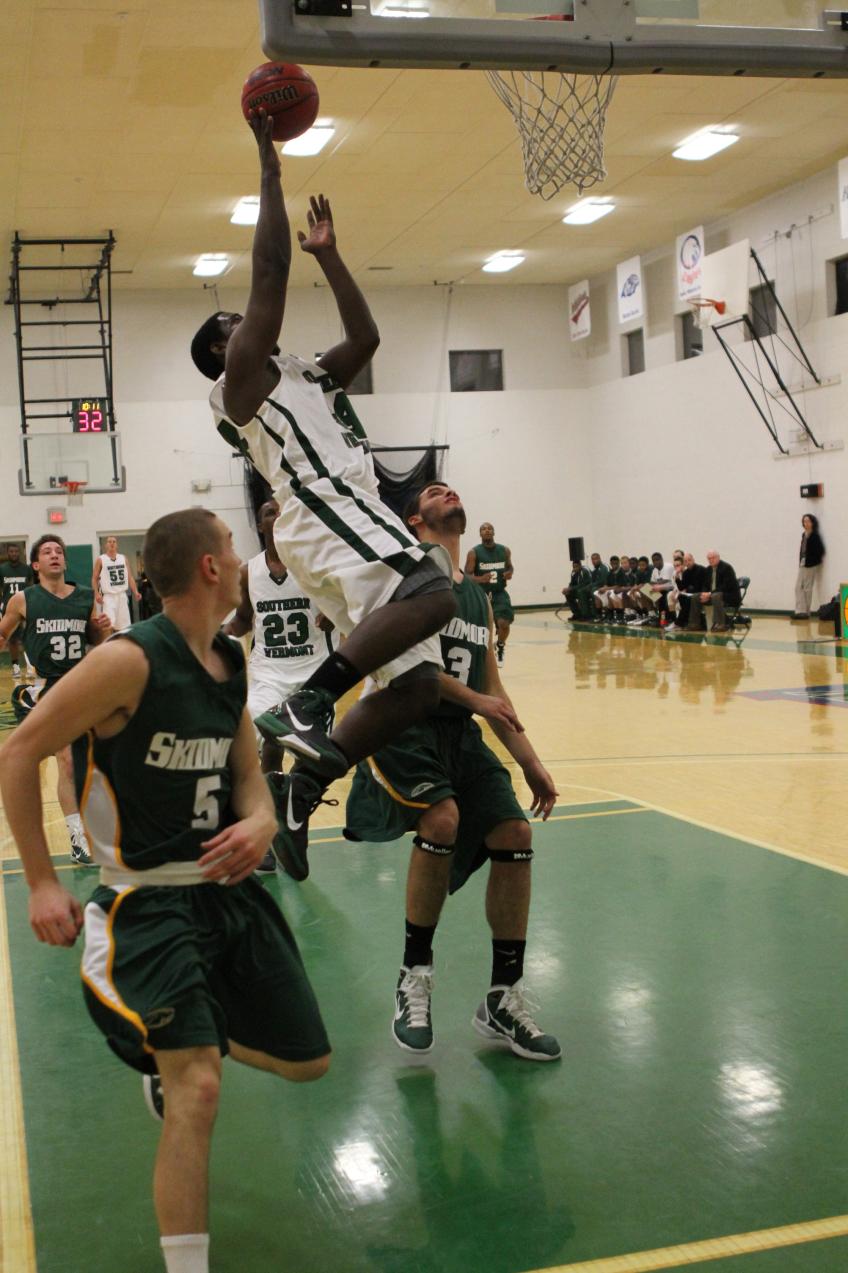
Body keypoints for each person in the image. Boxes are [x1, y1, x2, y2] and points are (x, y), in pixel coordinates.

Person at [0, 508, 330, 1273]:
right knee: (200, 1087)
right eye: (231, 545)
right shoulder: (129, 660)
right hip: (144, 900)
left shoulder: (229, 660)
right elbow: (20, 751)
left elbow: (249, 775)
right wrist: (43, 881)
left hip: (226, 894)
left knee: (308, 1060)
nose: (244, 558)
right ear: (211, 567)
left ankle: (174, 1048)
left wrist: (258, 824)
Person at [190, 110, 456, 879]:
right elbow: (268, 272)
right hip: (324, 507)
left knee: (416, 688)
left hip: (344, 516)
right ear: (222, 349)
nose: (251, 322)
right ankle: (311, 701)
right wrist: (269, 167)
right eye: (235, 324)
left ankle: (302, 780)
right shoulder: (238, 382)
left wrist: (331, 257)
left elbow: (366, 339)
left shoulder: (302, 373)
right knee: (432, 592)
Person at [345, 481, 560, 1061]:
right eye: (434, 492)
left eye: (452, 487)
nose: (448, 490)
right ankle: (414, 974)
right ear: (416, 519)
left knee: (516, 832)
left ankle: (502, 997)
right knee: (441, 818)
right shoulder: (405, 575)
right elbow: (400, 667)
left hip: (459, 732)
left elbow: (493, 688)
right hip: (402, 723)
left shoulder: (477, 597)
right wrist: (475, 700)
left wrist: (532, 762)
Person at [223, 497, 339, 872]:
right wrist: (218, 637)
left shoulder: (313, 564)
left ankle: (291, 814)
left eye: (281, 510)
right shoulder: (248, 572)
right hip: (270, 673)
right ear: (260, 526)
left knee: (315, 760)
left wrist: (333, 613)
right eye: (269, 511)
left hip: (314, 674)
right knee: (263, 739)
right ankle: (266, 829)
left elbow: (346, 603)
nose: (277, 515)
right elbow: (243, 619)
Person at [0, 533, 110, 863]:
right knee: (66, 761)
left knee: (92, 764)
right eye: (47, 551)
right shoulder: (23, 599)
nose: (54, 555)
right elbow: (3, 635)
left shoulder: (86, 596)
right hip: (50, 687)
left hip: (83, 685)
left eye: (59, 551)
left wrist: (103, 628)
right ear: (36, 565)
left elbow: (97, 640)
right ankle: (77, 838)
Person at [465, 523, 514, 665]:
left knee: (504, 624)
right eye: (483, 529)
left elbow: (510, 566)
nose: (487, 530)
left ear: (494, 532)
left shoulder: (504, 550)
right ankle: (481, 655)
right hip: (481, 594)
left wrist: (510, 572)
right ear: (480, 534)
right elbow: (467, 575)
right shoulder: (474, 553)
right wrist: (480, 579)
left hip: (499, 593)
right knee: (481, 628)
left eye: (489, 529)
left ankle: (500, 645)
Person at [93, 535, 141, 631]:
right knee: (108, 625)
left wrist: (135, 592)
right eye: (109, 541)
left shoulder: (123, 558)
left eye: (114, 541)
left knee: (124, 626)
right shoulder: (101, 559)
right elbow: (94, 579)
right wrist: (97, 594)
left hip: (122, 595)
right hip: (109, 596)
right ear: (105, 545)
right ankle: (109, 644)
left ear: (117, 545)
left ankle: (122, 644)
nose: (112, 543)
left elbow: (130, 577)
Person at [0, 541, 34, 677]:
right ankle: (16, 667)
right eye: (11, 551)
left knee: (30, 638)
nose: (14, 554)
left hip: (25, 606)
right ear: (8, 553)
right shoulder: (2, 569)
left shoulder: (26, 569)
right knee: (13, 640)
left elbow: (31, 587)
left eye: (16, 551)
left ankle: (31, 666)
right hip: (9, 608)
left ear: (19, 553)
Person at [687, 549, 740, 633]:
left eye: (713, 558)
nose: (711, 560)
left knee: (716, 595)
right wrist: (704, 593)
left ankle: (720, 624)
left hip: (729, 596)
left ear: (718, 557)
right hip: (714, 595)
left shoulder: (727, 568)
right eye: (709, 558)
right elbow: (705, 584)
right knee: (695, 596)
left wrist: (710, 594)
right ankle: (694, 624)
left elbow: (725, 586)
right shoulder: (708, 569)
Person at [794, 513, 825, 620]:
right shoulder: (804, 534)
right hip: (803, 563)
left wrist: (812, 560)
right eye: (804, 521)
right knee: (798, 587)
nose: (806, 523)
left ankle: (806, 612)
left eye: (808, 521)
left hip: (810, 565)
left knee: (807, 588)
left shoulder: (815, 536)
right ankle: (800, 611)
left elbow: (820, 551)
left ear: (812, 523)